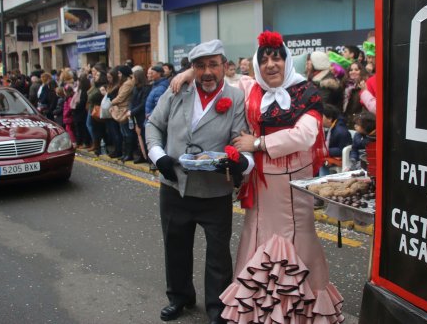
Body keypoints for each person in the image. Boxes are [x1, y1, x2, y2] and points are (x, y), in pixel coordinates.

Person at [173, 31, 344, 323]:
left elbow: (305, 135)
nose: (271, 65)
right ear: (256, 65)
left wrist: (259, 144)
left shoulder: (306, 92)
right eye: (264, 60)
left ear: (287, 60)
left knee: (296, 240)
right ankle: (257, 311)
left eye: (277, 58)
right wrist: (193, 70)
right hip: (260, 184)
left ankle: (294, 311)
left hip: (292, 188)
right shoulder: (251, 88)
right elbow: (216, 80)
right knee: (256, 236)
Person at [146, 39, 251, 324]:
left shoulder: (236, 97)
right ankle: (179, 297)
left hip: (215, 190)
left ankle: (217, 308)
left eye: (213, 65)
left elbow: (239, 140)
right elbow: (154, 124)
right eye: (201, 66)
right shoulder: (177, 89)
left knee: (219, 254)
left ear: (224, 67)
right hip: (174, 186)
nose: (207, 72)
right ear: (193, 69)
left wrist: (239, 161)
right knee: (175, 246)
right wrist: (159, 157)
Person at [110, 65, 135, 162]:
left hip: (125, 109)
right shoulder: (125, 83)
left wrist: (111, 102)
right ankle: (125, 154)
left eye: (120, 73)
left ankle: (129, 154)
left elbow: (121, 97)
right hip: (121, 109)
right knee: (124, 133)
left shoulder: (128, 84)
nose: (119, 75)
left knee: (127, 133)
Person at [129, 69, 151, 164]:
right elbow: (131, 101)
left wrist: (132, 111)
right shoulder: (134, 88)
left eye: (133, 77)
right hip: (135, 115)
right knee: (139, 136)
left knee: (145, 136)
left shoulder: (146, 88)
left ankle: (148, 156)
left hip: (142, 115)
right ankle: (142, 155)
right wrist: (131, 110)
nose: (132, 79)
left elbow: (143, 103)